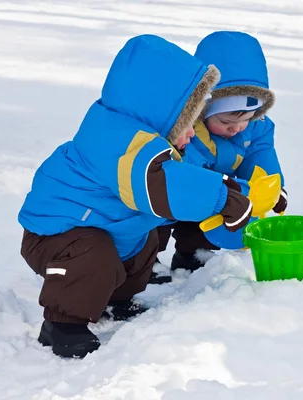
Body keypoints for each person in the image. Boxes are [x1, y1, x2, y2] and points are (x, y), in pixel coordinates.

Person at [18, 34, 253, 358]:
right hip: (56, 235)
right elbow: (160, 183)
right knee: (93, 256)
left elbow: (187, 178)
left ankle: (115, 300)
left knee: (143, 244)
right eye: (185, 123)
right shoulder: (113, 137)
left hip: (103, 226)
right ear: (159, 114)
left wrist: (237, 189)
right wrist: (221, 199)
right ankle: (62, 324)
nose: (190, 134)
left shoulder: (148, 138)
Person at [155, 31, 288, 275]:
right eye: (226, 121)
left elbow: (260, 154)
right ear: (202, 109)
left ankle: (194, 254)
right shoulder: (183, 131)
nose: (236, 128)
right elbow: (183, 175)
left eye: (247, 119)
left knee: (213, 212)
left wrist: (270, 187)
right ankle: (148, 261)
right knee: (155, 220)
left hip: (215, 196)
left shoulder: (256, 127)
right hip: (174, 192)